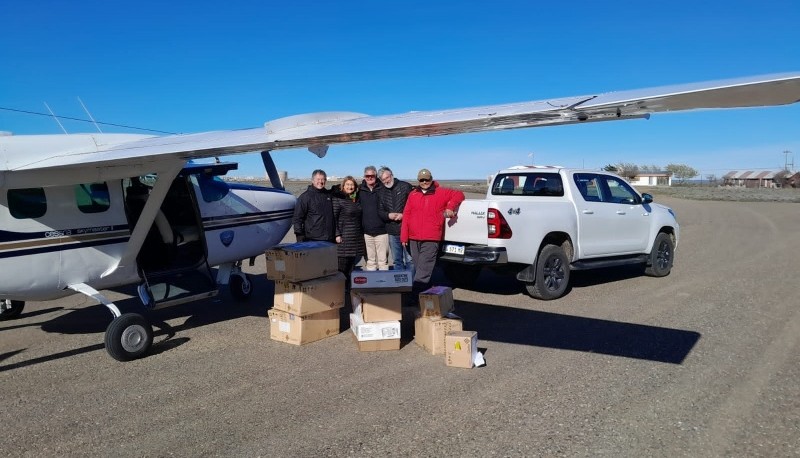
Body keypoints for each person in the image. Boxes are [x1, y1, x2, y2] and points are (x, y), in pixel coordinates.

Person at [400, 168, 465, 294]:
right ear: (418, 181)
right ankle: (428, 298)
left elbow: (459, 194)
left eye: (427, 179)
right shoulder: (413, 194)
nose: (424, 182)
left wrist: (450, 206)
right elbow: (407, 214)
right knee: (421, 268)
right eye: (422, 180)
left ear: (431, 179)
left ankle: (414, 298)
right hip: (413, 238)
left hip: (431, 238)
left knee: (423, 271)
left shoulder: (441, 192)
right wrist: (404, 236)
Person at [377, 165, 413, 272]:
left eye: (387, 178)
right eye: (383, 180)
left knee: (410, 259)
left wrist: (403, 215)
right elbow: (380, 211)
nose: (386, 181)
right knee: (397, 260)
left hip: (407, 229)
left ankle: (412, 283)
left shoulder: (405, 186)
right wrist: (388, 215)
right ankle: (400, 283)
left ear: (392, 175)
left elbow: (414, 207)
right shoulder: (381, 191)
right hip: (392, 231)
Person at [332, 176, 366, 281]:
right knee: (342, 267)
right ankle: (339, 290)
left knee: (352, 267)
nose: (350, 187)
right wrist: (337, 234)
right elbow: (334, 218)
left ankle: (348, 290)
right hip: (343, 238)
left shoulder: (356, 199)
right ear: (343, 186)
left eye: (352, 185)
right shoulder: (338, 198)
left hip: (355, 238)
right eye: (347, 184)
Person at [292, 169, 335, 243]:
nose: (320, 182)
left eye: (323, 179)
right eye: (318, 179)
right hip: (313, 239)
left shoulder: (328, 195)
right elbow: (297, 218)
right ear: (312, 181)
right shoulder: (305, 197)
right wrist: (299, 237)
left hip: (330, 238)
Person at [359, 165, 389, 270]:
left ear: (376, 176)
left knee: (383, 262)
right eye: (367, 176)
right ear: (364, 176)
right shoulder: (360, 190)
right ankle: (372, 284)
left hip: (382, 232)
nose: (370, 178)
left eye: (372, 175)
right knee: (370, 262)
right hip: (366, 233)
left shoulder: (383, 188)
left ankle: (384, 283)